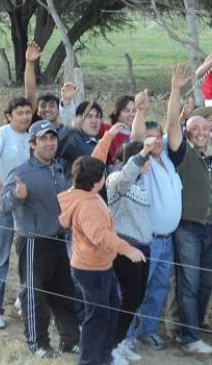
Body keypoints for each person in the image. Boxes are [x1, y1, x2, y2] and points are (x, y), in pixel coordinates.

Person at [0, 120, 80, 358]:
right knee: (35, 295)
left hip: (59, 240)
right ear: (32, 144)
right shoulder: (21, 173)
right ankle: (38, 344)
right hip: (34, 241)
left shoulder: (61, 168)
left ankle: (70, 341)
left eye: (52, 138)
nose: (49, 143)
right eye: (43, 139)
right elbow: (1, 207)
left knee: (64, 294)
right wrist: (16, 194)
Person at [58, 155, 146, 365]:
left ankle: (104, 356)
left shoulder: (86, 193)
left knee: (109, 312)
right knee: (97, 317)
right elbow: (101, 236)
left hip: (101, 266)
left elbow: (93, 157)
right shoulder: (88, 205)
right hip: (90, 269)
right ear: (97, 180)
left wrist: (109, 136)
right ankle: (90, 360)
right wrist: (128, 250)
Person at [167, 64, 212, 354]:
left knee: (206, 282)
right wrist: (176, 91)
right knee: (189, 282)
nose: (202, 132)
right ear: (189, 133)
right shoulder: (182, 154)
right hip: (188, 227)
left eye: (206, 128)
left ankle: (191, 326)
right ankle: (189, 336)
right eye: (196, 128)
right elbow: (171, 127)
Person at [128, 90, 184, 351]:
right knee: (135, 289)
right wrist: (140, 111)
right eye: (150, 140)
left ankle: (146, 331)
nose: (155, 143)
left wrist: (175, 91)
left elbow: (173, 125)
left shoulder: (169, 161)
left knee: (159, 290)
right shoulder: (141, 165)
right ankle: (125, 337)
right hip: (146, 240)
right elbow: (137, 138)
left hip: (167, 241)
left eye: (157, 138)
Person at [0, 97, 33, 329]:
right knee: (1, 257)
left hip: (27, 205)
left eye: (28, 112)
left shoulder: (33, 137)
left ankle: (23, 299)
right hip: (2, 205)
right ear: (9, 115)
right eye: (19, 112)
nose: (25, 116)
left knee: (28, 257)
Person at [105, 95, 137, 165]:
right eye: (126, 111)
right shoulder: (106, 129)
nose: (131, 114)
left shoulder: (141, 132)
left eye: (134, 111)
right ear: (117, 112)